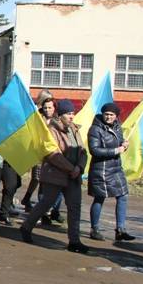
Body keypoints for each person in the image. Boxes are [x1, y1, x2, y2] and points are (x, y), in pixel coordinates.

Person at [20, 99, 89, 253]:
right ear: (60, 115)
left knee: (74, 207)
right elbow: (52, 154)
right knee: (46, 203)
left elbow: (83, 151)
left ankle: (74, 241)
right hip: (55, 175)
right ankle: (26, 226)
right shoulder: (51, 130)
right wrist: (71, 168)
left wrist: (79, 167)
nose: (71, 116)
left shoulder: (74, 129)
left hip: (73, 175)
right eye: (68, 114)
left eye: (72, 113)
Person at [87, 102, 135, 241]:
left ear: (116, 116)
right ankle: (94, 229)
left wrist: (124, 144)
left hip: (115, 168)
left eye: (111, 115)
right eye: (106, 114)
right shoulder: (95, 129)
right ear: (102, 114)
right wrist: (115, 150)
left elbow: (119, 141)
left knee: (123, 196)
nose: (108, 117)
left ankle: (120, 229)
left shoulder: (117, 127)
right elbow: (94, 150)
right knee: (99, 197)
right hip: (101, 169)